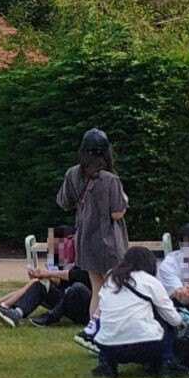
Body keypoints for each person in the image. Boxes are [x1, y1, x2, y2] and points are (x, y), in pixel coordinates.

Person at [56, 127, 127, 346]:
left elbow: (63, 202)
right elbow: (117, 212)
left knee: (98, 289)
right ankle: (100, 333)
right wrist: (124, 197)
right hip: (109, 242)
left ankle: (94, 332)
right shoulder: (110, 180)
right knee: (115, 288)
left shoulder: (73, 174)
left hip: (85, 239)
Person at [91, 245, 187, 378]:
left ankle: (105, 364)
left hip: (109, 347)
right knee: (165, 316)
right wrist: (182, 323)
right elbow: (173, 319)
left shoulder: (110, 277)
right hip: (147, 346)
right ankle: (167, 361)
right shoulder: (150, 281)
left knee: (107, 317)